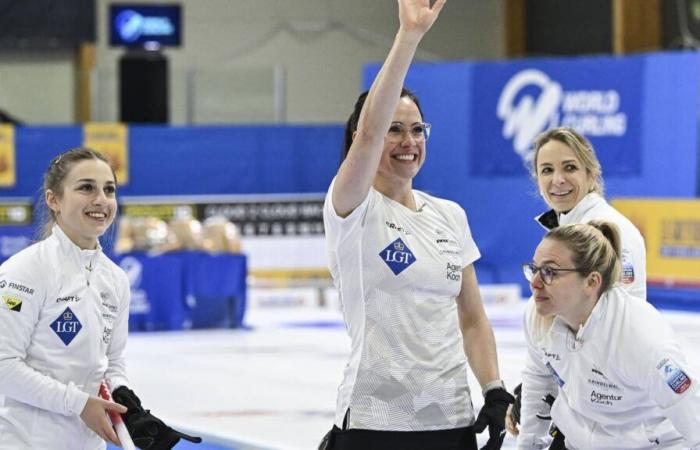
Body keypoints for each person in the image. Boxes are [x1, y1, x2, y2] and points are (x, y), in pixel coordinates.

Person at [320, 1, 512, 449]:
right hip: (375, 423)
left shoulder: (450, 215)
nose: (408, 141)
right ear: (362, 137)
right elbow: (368, 137)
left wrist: (494, 388)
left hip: (451, 421)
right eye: (394, 128)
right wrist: (409, 36)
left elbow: (472, 317)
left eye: (417, 129)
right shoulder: (352, 208)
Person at [0, 148, 200, 449]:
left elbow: (111, 363)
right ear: (53, 200)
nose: (101, 200)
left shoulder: (115, 279)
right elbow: (4, 367)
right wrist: (79, 403)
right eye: (86, 188)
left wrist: (127, 404)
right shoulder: (24, 272)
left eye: (109, 189)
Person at [506, 127, 648, 438]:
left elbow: (609, 330)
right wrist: (534, 389)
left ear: (591, 172)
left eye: (569, 167)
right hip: (581, 404)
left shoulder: (612, 233)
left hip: (612, 413)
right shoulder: (569, 227)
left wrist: (550, 391)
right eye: (547, 170)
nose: (557, 180)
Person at [516, 221, 699, 449]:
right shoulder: (538, 314)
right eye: (534, 269)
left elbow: (691, 412)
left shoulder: (639, 334)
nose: (535, 283)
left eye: (549, 272)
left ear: (592, 282)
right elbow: (538, 379)